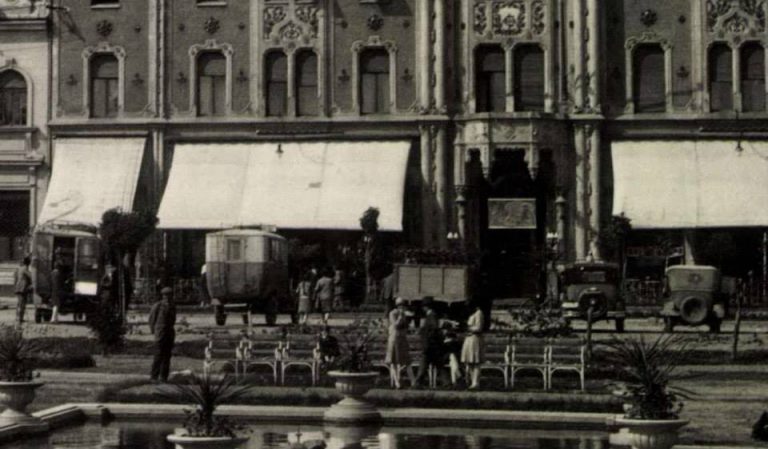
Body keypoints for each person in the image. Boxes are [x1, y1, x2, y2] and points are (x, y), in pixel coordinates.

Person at [385, 297, 416, 389]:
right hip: (394, 339)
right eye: (400, 306)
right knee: (393, 362)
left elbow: (406, 327)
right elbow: (395, 325)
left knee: (407, 361)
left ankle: (413, 381)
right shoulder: (392, 313)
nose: (402, 307)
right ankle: (397, 382)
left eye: (403, 306)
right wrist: (400, 317)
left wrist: (408, 319)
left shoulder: (404, 314)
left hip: (402, 339)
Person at [148, 287, 177, 382]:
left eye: (169, 295)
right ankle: (154, 376)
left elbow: (173, 320)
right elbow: (152, 319)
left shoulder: (173, 306)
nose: (167, 297)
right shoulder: (158, 306)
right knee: (158, 355)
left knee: (167, 356)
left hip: (169, 333)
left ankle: (164, 377)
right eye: (165, 295)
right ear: (162, 296)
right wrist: (154, 331)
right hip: (160, 333)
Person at [415, 297, 442, 387]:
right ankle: (447, 382)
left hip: (430, 344)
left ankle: (418, 382)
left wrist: (428, 337)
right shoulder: (431, 315)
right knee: (438, 364)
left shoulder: (431, 315)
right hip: (431, 345)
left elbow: (434, 328)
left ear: (426, 307)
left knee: (424, 363)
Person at [461, 301, 485, 389]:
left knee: (476, 361)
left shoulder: (479, 313)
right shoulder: (471, 314)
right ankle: (472, 382)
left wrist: (468, 327)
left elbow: (479, 328)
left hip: (475, 339)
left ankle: (476, 382)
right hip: (469, 338)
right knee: (470, 361)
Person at [13, 256, 32, 325]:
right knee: (22, 303)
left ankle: (18, 318)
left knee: (19, 303)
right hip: (22, 288)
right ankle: (20, 319)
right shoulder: (25, 268)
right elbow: (31, 276)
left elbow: (15, 276)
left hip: (18, 287)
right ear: (28, 263)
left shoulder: (19, 268)